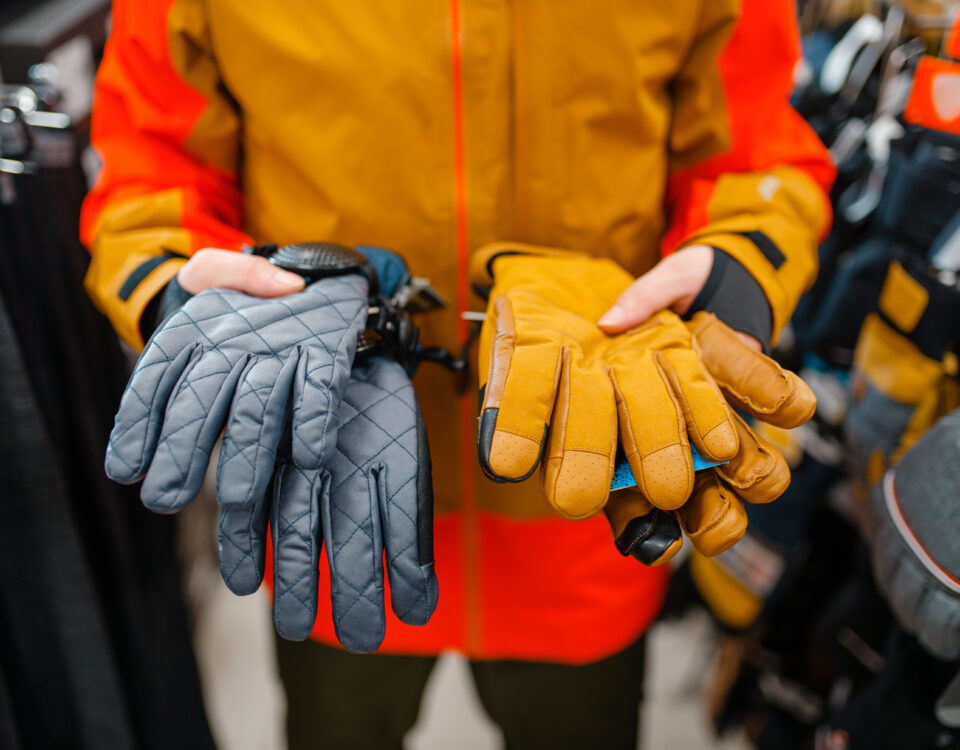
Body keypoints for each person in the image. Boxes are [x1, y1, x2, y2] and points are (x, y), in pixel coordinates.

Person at [81, 1, 834, 747]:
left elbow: (754, 155)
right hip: (330, 493)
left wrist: (729, 267)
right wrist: (191, 297)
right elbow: (151, 174)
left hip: (588, 492)